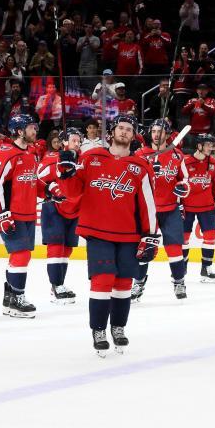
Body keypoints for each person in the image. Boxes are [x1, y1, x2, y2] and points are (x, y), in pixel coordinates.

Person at [55, 114, 158, 356]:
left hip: (129, 233)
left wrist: (150, 235)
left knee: (123, 283)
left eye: (129, 129)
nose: (124, 132)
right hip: (97, 230)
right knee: (102, 280)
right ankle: (99, 330)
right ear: (112, 132)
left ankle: (118, 327)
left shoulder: (141, 167)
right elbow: (73, 192)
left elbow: (148, 205)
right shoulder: (91, 157)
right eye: (120, 127)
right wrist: (66, 173)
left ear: (133, 136)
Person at [0, 115, 42, 318]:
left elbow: (33, 180)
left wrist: (50, 190)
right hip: (11, 214)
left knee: (20, 256)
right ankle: (17, 298)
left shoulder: (32, 153)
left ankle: (9, 300)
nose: (35, 131)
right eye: (31, 127)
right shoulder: (4, 153)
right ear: (19, 131)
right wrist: (0, 214)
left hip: (29, 213)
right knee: (21, 255)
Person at [132, 119, 190, 301]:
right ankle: (138, 283)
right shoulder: (140, 154)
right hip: (147, 210)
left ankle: (179, 281)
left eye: (161, 131)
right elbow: (132, 178)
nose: (157, 135)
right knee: (144, 247)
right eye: (154, 131)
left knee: (174, 248)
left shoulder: (177, 155)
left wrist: (183, 187)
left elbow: (185, 179)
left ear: (168, 134)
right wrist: (150, 171)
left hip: (171, 208)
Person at [36, 127, 84, 304]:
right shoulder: (52, 158)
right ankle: (56, 285)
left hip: (75, 209)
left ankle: (58, 285)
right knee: (56, 246)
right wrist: (50, 188)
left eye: (79, 140)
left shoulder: (83, 161)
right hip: (54, 208)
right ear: (64, 142)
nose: (77, 143)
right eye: (73, 140)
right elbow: (38, 179)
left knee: (68, 248)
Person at [182, 133, 215, 282]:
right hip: (187, 205)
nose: (210, 148)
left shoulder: (214, 163)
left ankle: (206, 268)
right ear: (199, 145)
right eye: (207, 145)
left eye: (211, 145)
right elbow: (179, 184)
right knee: (183, 237)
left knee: (211, 235)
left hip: (207, 205)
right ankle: (181, 268)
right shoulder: (185, 162)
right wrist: (178, 203)